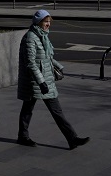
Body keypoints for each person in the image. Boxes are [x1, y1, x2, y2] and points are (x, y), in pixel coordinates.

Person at [17, 9, 90, 150]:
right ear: (38, 22)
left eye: (49, 21)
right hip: (33, 82)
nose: (48, 24)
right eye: (46, 21)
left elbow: (47, 57)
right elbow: (31, 63)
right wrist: (41, 82)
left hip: (46, 79)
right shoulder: (30, 38)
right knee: (27, 109)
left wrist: (59, 66)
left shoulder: (42, 36)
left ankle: (72, 138)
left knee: (56, 111)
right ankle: (23, 136)